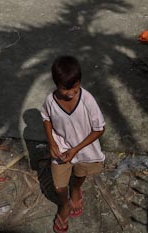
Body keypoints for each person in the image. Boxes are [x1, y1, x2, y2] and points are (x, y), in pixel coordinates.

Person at [41, 56, 106, 232]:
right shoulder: (50, 101)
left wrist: (76, 149)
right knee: (59, 186)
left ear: (79, 82)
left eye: (75, 88)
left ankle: (76, 189)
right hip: (62, 149)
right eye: (65, 89)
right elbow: (46, 118)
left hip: (84, 149)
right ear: (56, 84)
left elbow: (99, 129)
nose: (70, 93)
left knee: (80, 174)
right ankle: (64, 205)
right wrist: (52, 142)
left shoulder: (88, 100)